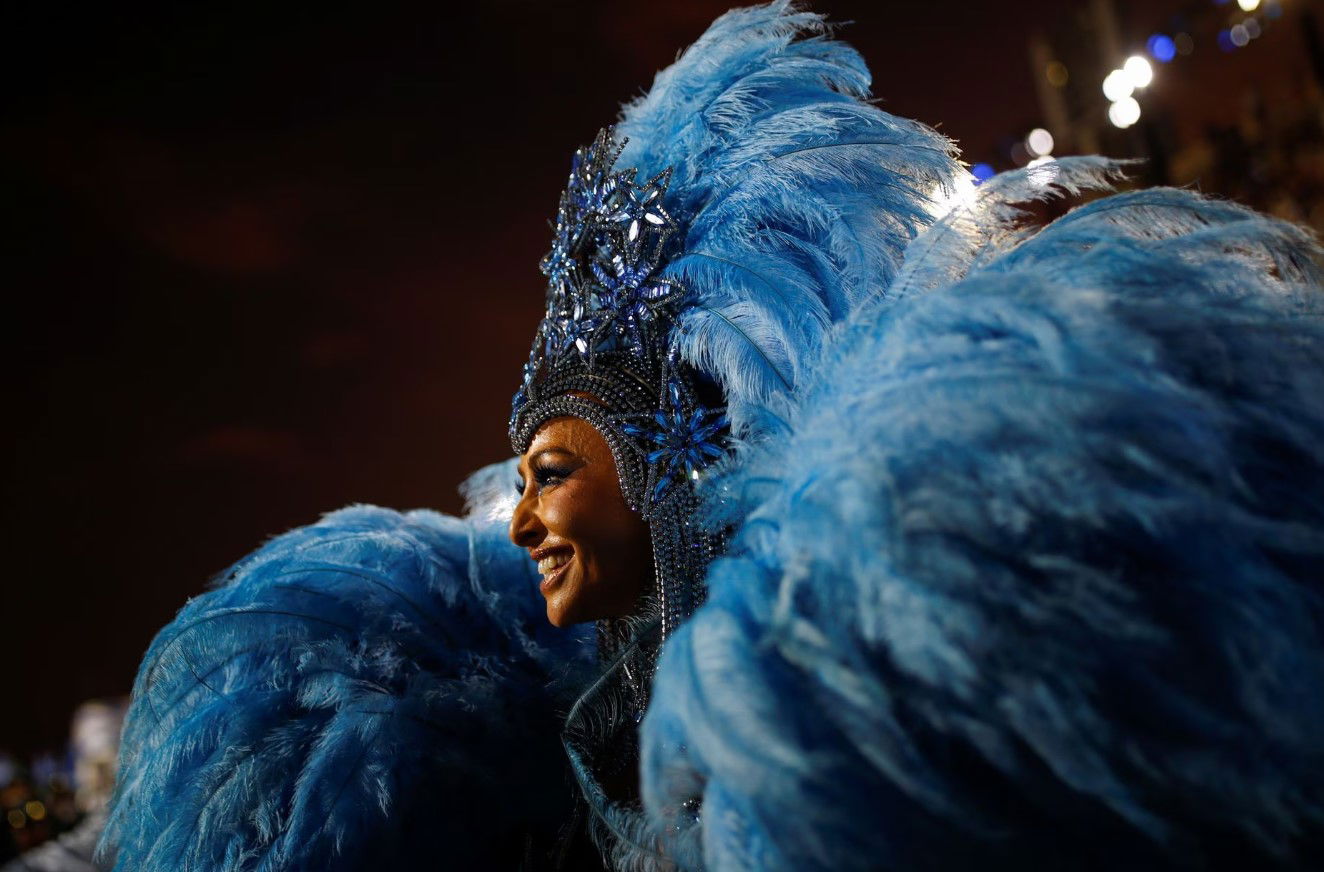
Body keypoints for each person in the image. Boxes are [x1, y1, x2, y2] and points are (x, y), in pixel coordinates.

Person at [100, 3, 1324, 871]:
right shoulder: (552, 753)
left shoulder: (832, 722)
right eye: (521, 480)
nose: (520, 514)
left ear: (664, 469)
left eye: (553, 471)